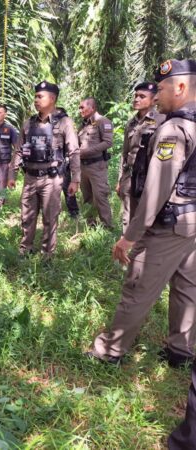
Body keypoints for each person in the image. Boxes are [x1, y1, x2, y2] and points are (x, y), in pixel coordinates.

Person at [87, 59, 196, 367]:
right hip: (190, 223)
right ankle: (181, 351)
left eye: (160, 89)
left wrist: (129, 237)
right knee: (187, 287)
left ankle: (110, 351)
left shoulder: (175, 129)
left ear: (180, 87)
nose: (156, 95)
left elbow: (156, 191)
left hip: (168, 225)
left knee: (138, 286)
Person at [8, 81, 80, 257]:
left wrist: (76, 179)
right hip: (30, 177)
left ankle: (47, 254)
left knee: (50, 217)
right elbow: (18, 150)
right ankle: (25, 249)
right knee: (27, 216)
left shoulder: (65, 122)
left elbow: (73, 151)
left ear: (52, 98)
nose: (36, 100)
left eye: (40, 96)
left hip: (51, 179)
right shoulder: (28, 124)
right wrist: (12, 174)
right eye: (35, 97)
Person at [117, 82, 166, 233]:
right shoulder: (131, 123)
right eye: (136, 96)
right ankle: (127, 243)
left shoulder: (162, 120)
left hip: (149, 176)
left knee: (148, 217)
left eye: (142, 96)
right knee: (128, 216)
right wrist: (120, 179)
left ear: (154, 100)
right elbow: (125, 153)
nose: (137, 99)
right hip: (130, 176)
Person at [77, 97, 114, 228]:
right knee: (87, 197)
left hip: (97, 167)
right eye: (79, 107)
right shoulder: (83, 125)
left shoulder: (103, 121)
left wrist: (85, 152)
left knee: (100, 197)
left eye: (82, 107)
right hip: (83, 167)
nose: (80, 110)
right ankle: (91, 225)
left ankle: (107, 226)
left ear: (92, 108)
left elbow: (108, 142)